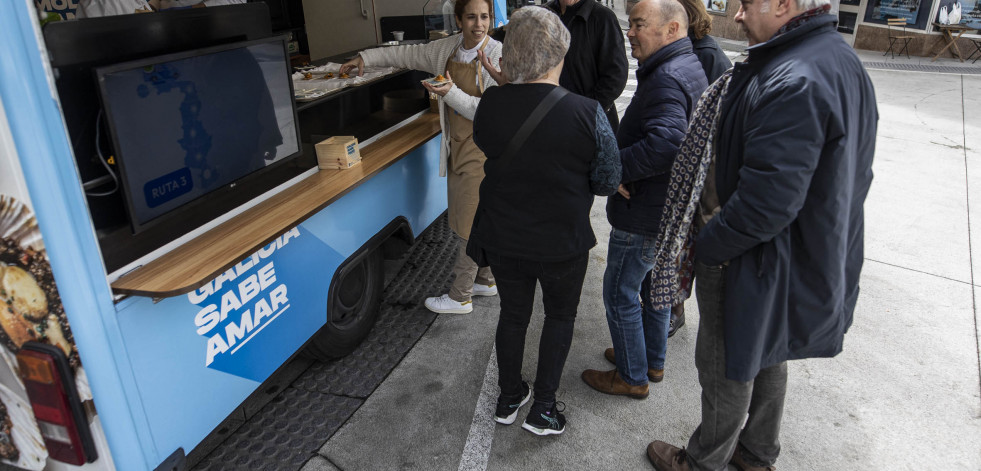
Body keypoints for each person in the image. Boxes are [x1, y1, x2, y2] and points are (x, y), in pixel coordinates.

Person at [644, 0, 878, 468]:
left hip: (749, 256)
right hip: (789, 253)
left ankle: (703, 461)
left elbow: (766, 203)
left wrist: (708, 246)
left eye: (748, 5)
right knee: (767, 352)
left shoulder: (794, 77)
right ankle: (756, 453)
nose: (739, 16)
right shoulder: (835, 58)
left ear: (784, 5)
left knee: (724, 369)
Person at [468, 7, 620, 436]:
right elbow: (608, 181)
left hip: (503, 237)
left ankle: (508, 396)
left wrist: (504, 89)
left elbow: (490, 139)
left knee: (513, 315)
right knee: (559, 317)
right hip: (563, 241)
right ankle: (545, 410)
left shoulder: (491, 104)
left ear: (509, 53)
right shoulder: (589, 112)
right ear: (561, 51)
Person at [341, 0, 502, 315]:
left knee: (468, 221)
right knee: (473, 215)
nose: (479, 25)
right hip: (457, 145)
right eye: (471, 17)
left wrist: (450, 93)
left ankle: (460, 296)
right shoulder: (447, 50)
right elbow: (405, 54)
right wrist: (366, 57)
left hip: (483, 149)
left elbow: (490, 112)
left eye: (484, 17)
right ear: (458, 20)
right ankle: (486, 278)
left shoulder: (496, 54)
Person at [579, 0, 706, 399]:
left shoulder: (667, 76)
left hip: (644, 210)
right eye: (629, 23)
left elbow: (668, 142)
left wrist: (616, 169)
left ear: (671, 29)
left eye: (637, 24)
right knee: (653, 291)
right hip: (663, 208)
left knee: (619, 292)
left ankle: (632, 377)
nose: (629, 32)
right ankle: (650, 360)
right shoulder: (685, 64)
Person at [663, 0, 733, 339]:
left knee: (682, 244)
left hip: (701, 171)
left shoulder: (707, 54)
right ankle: (672, 309)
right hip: (693, 166)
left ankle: (674, 312)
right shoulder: (698, 50)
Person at [545, 0, 628, 132]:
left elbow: (615, 76)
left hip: (590, 121)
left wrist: (586, 109)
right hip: (548, 117)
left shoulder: (602, 17)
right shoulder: (543, 13)